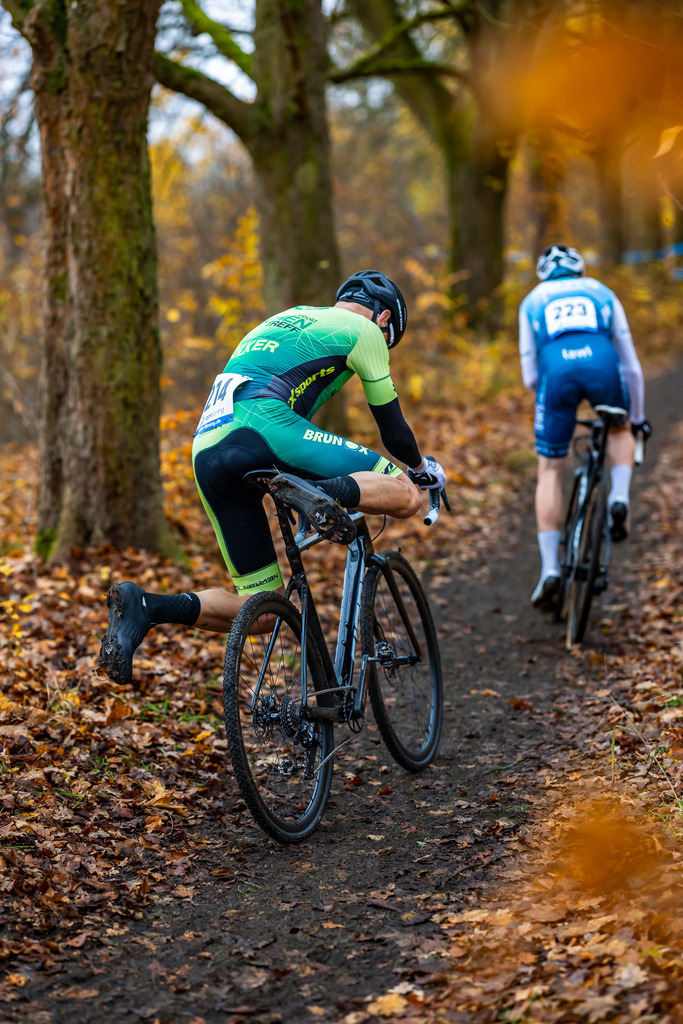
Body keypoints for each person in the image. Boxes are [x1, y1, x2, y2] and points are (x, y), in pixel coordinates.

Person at [99, 269, 446, 684]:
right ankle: (320, 493)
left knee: (260, 608)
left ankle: (148, 608)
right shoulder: (364, 330)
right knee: (406, 495)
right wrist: (423, 470)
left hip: (207, 448)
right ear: (385, 318)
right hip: (263, 429)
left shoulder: (285, 317)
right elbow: (393, 431)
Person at [518, 244, 650, 610]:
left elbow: (530, 375)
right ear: (580, 269)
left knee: (550, 470)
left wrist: (552, 397)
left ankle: (550, 570)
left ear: (543, 272)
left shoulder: (532, 300)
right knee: (619, 429)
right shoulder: (601, 291)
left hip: (555, 372)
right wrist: (636, 420)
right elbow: (632, 367)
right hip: (603, 363)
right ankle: (619, 497)